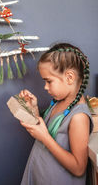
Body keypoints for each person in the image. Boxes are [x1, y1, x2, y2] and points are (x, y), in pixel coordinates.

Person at [19, 43, 93, 185]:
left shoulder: (78, 117)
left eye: (49, 81)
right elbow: (46, 130)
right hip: (40, 175)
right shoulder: (58, 102)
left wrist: (45, 138)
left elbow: (79, 168)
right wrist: (33, 110)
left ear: (69, 77)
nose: (45, 87)